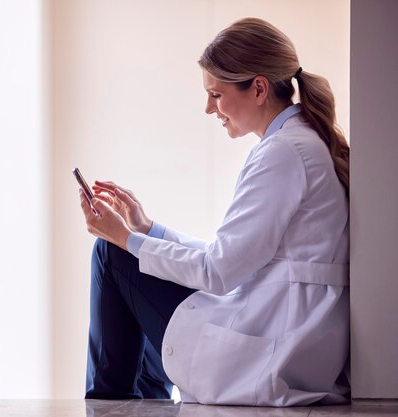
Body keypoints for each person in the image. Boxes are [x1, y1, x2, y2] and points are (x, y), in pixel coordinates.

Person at [78, 17, 350, 407]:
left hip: (274, 346)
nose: (209, 108)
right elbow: (232, 258)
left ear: (258, 88)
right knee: (137, 267)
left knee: (110, 254)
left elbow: (217, 272)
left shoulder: (283, 153)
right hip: (290, 334)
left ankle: (106, 406)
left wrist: (124, 238)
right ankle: (131, 404)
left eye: (216, 94)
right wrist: (147, 229)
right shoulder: (302, 143)